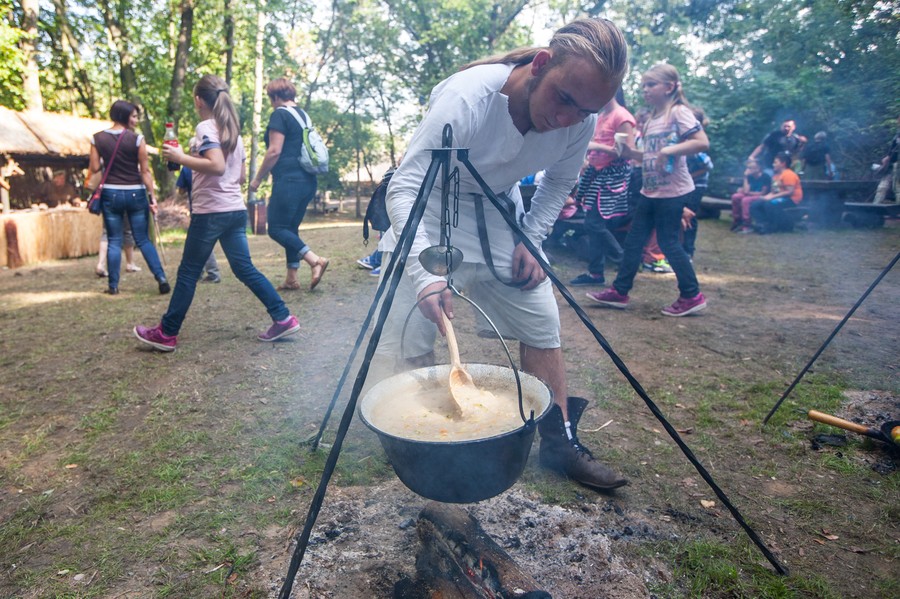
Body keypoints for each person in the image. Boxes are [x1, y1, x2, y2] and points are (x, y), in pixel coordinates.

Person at [375, 18, 630, 490]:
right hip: (431, 209)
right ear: (540, 65)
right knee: (410, 325)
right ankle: (423, 439)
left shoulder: (581, 120)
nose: (568, 118)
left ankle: (560, 441)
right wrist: (423, 272)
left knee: (541, 319)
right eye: (564, 99)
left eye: (586, 110)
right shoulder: (467, 98)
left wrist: (532, 239)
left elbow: (557, 184)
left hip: (499, 216)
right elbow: (407, 184)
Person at [134, 75, 300, 352]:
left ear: (199, 100)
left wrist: (180, 159)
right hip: (234, 211)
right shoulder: (233, 131)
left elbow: (217, 166)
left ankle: (166, 333)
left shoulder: (206, 127)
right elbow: (240, 175)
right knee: (244, 268)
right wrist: (197, 157)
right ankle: (283, 318)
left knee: (188, 272)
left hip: (211, 212)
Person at [588, 63, 709, 317]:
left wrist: (669, 150)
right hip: (650, 191)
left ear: (670, 87)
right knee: (633, 242)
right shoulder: (652, 119)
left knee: (668, 242)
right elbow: (649, 156)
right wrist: (631, 153)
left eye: (651, 85)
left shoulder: (678, 113)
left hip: (673, 191)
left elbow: (701, 142)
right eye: (643, 85)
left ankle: (692, 295)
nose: (645, 90)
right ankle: (620, 291)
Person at [249, 78, 329, 291]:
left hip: (289, 181)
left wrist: (257, 179)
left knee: (275, 229)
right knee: (290, 228)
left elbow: (274, 150)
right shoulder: (303, 115)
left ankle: (315, 260)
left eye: (270, 99)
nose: (271, 103)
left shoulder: (280, 114)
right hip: (308, 181)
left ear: (275, 97)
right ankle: (291, 278)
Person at [88, 100, 169, 295]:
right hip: (135, 192)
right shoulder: (137, 139)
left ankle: (113, 286)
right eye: (133, 116)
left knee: (114, 240)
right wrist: (152, 197)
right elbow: (145, 171)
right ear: (124, 116)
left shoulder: (97, 139)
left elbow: (94, 168)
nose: (135, 120)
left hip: (110, 193)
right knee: (143, 239)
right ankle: (161, 278)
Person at [568, 88, 635, 286]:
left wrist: (594, 147)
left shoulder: (622, 116)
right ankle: (595, 273)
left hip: (611, 177)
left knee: (594, 224)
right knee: (592, 222)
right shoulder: (599, 116)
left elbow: (626, 152)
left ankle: (624, 261)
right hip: (595, 174)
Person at [176, 165, 221, 283]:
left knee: (202, 242)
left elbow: (181, 191)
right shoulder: (215, 162)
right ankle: (199, 273)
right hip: (217, 206)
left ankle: (213, 273)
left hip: (199, 209)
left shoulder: (187, 167)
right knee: (198, 242)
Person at [748, 151, 803, 234]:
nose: (773, 164)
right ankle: (762, 224)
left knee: (769, 204)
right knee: (755, 205)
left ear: (783, 163)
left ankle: (773, 226)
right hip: (779, 197)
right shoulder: (775, 176)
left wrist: (772, 197)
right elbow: (774, 191)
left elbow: (789, 192)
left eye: (775, 162)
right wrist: (766, 197)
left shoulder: (788, 174)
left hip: (791, 199)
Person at [730, 158, 771, 232]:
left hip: (761, 196)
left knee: (745, 200)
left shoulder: (765, 177)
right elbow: (746, 190)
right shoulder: (749, 176)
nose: (749, 170)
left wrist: (748, 193)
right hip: (750, 194)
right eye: (748, 168)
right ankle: (737, 220)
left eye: (751, 168)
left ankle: (747, 224)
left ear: (758, 168)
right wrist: (745, 177)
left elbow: (763, 193)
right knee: (735, 197)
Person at [873, 116, 899, 204]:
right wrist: (887, 157)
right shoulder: (897, 134)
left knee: (898, 188)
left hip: (898, 165)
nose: (897, 121)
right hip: (892, 164)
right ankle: (875, 207)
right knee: (882, 188)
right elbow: (893, 149)